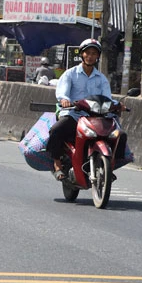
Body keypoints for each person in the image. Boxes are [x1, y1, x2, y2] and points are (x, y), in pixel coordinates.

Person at [47, 38, 120, 180]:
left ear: (98, 56)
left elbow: (107, 98)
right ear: (82, 54)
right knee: (56, 130)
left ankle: (110, 165)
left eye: (94, 53)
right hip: (74, 115)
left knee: (118, 134)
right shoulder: (70, 74)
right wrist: (65, 100)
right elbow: (62, 92)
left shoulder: (101, 78)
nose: (90, 56)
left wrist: (117, 105)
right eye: (87, 53)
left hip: (96, 117)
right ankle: (57, 165)